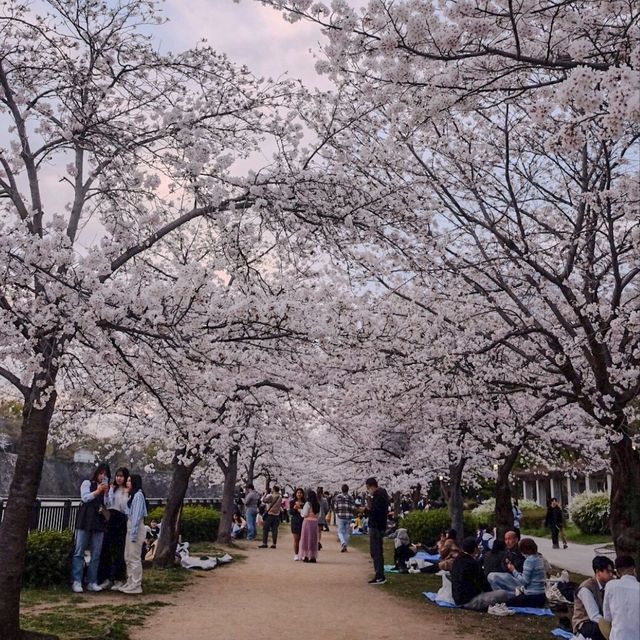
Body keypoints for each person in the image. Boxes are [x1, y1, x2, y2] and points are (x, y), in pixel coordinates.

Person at [71, 462, 111, 593]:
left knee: (96, 553)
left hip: (99, 521)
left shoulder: (107, 489)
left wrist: (105, 493)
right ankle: (77, 580)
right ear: (96, 473)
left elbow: (108, 505)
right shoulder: (87, 483)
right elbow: (85, 498)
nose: (102, 477)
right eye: (101, 473)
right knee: (79, 550)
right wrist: (97, 491)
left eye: (105, 475)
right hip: (85, 520)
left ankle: (92, 580)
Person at [451, 537, 511, 611]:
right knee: (503, 593)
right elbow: (483, 584)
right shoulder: (472, 563)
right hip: (469, 601)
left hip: (457, 598)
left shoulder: (457, 560)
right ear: (475, 549)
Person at [97, 466, 129, 591]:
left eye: (121, 476)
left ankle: (118, 578)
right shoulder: (112, 489)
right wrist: (107, 492)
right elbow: (107, 503)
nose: (119, 478)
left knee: (118, 550)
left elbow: (124, 507)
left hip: (120, 520)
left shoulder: (127, 490)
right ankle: (105, 578)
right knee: (106, 549)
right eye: (117, 476)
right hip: (110, 518)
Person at [117, 474, 148, 594]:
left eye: (130, 481)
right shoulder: (133, 496)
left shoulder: (139, 495)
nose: (127, 483)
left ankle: (136, 584)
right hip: (130, 528)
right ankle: (130, 581)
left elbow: (137, 516)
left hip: (135, 529)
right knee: (128, 556)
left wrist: (134, 534)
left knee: (134, 557)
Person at [572, 555, 616, 640]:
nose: (611, 575)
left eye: (612, 572)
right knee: (596, 630)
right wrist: (610, 626)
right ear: (598, 572)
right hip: (585, 622)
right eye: (608, 572)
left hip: (602, 620)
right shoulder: (586, 588)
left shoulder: (609, 584)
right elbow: (594, 615)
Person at [603, 555, 639, 640]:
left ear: (618, 573)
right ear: (634, 570)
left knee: (602, 622)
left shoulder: (610, 586)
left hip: (617, 637)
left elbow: (607, 617)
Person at [504, 537, 547, 607]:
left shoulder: (529, 561)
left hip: (533, 596)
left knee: (506, 603)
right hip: (541, 595)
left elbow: (524, 582)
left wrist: (513, 570)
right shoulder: (539, 558)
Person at [365, 477, 389, 584]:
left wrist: (367, 510)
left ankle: (379, 575)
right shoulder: (382, 494)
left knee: (376, 552)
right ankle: (379, 574)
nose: (368, 490)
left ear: (371, 486)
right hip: (380, 526)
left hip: (376, 526)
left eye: (368, 488)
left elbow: (376, 512)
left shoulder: (378, 495)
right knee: (376, 551)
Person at [299, 489, 320, 562]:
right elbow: (318, 515)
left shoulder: (308, 504)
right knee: (313, 539)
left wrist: (300, 511)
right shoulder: (317, 504)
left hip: (307, 522)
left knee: (306, 538)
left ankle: (306, 556)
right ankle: (313, 556)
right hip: (314, 523)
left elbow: (304, 514)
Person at [333, 484, 355, 552]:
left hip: (340, 516)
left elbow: (335, 507)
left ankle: (343, 543)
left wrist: (337, 512)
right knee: (347, 532)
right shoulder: (351, 497)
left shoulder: (338, 497)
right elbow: (353, 507)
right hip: (348, 516)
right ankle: (345, 544)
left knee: (340, 531)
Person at [289, 487, 305, 560]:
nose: (299, 494)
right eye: (298, 493)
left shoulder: (305, 502)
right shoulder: (292, 502)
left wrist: (301, 509)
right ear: (295, 494)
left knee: (303, 539)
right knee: (296, 539)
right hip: (295, 521)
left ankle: (303, 554)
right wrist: (294, 508)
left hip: (303, 521)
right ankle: (296, 554)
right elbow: (290, 512)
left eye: (301, 493)